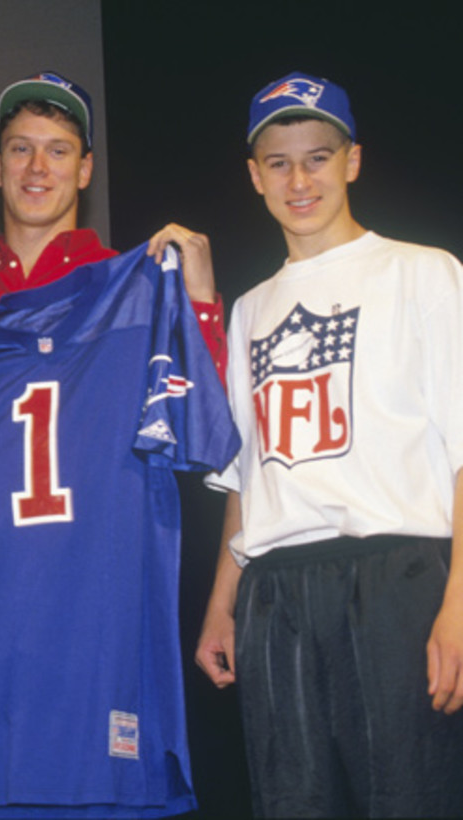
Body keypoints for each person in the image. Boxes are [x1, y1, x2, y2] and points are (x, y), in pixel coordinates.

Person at [195, 71, 463, 817]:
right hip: (276, 588)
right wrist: (223, 603)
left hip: (395, 577)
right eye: (278, 162)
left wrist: (459, 605)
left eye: (317, 156)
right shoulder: (250, 309)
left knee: (410, 798)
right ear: (255, 177)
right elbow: (250, 474)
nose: (299, 178)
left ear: (352, 161)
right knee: (291, 802)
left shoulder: (425, 273)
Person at [0, 71, 227, 377]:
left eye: (58, 151)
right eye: (21, 149)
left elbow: (193, 409)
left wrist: (200, 302)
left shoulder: (129, 290)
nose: (37, 167)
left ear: (84, 170)